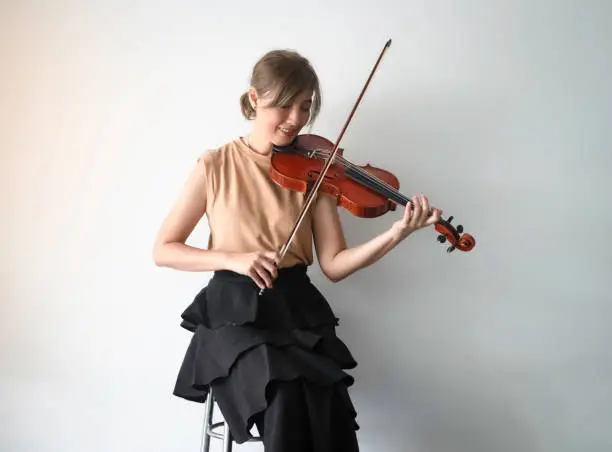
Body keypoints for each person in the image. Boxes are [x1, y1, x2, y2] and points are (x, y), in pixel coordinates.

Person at [152, 48, 441, 452]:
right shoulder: (215, 165)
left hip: (297, 311)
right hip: (234, 315)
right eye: (284, 104)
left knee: (330, 406)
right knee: (285, 391)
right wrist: (233, 259)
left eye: (305, 107)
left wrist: (395, 233)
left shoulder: (316, 171)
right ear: (255, 99)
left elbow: (335, 265)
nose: (294, 119)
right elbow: (164, 249)